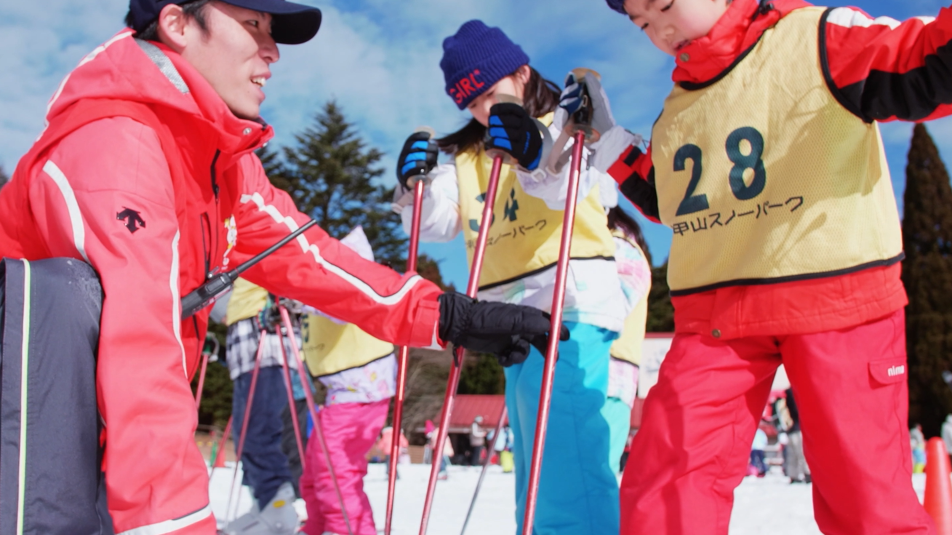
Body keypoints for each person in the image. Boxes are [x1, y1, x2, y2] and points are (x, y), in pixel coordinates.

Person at [0, 1, 564, 533]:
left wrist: (445, 315)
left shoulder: (216, 162)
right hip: (27, 444)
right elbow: (139, 354)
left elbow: (311, 258)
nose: (272, 51)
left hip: (79, 438)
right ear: (176, 23)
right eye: (253, 24)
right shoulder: (115, 146)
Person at [577, 0, 951, 532]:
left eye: (664, 5)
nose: (658, 29)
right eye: (641, 23)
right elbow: (668, 195)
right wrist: (605, 136)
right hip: (716, 318)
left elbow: (924, 60)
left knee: (863, 493)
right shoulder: (678, 108)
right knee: (668, 478)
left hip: (836, 298)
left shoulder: (818, 40)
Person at [394, 20, 634, 534]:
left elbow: (588, 186)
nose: (482, 111)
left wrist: (533, 152)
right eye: (471, 104)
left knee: (568, 458)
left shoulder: (566, 122)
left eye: (489, 94)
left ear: (522, 73)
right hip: (508, 319)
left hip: (567, 307)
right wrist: (411, 188)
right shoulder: (469, 156)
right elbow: (434, 222)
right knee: (533, 467)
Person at [296, 225, 402, 535]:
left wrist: (299, 294)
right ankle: (318, 524)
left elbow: (341, 303)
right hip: (342, 393)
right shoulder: (318, 277)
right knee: (316, 469)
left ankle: (348, 529)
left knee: (335, 469)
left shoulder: (349, 269)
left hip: (362, 389)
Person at [222, 278, 306, 534]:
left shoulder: (268, 240)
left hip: (266, 339)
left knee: (261, 431)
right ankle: (264, 502)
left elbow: (294, 271)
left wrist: (285, 300)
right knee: (245, 436)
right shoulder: (233, 248)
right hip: (243, 346)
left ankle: (277, 503)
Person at [604, 206, 652, 474]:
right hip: (604, 371)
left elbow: (603, 311)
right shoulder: (614, 245)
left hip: (607, 372)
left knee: (593, 471)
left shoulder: (617, 247)